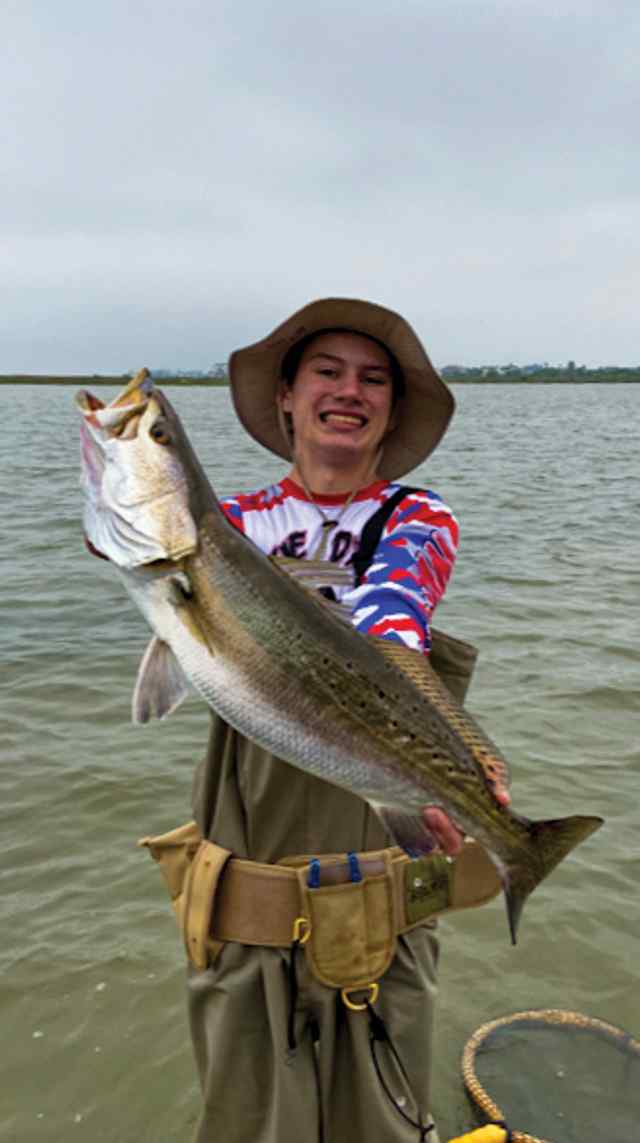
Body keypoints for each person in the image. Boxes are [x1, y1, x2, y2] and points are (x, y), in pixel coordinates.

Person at [185, 298, 509, 1143]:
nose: (349, 390)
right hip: (244, 903)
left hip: (383, 894)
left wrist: (458, 761)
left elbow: (392, 622)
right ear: (286, 396)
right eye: (326, 370)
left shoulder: (419, 518)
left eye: (372, 379)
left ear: (392, 412)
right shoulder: (225, 529)